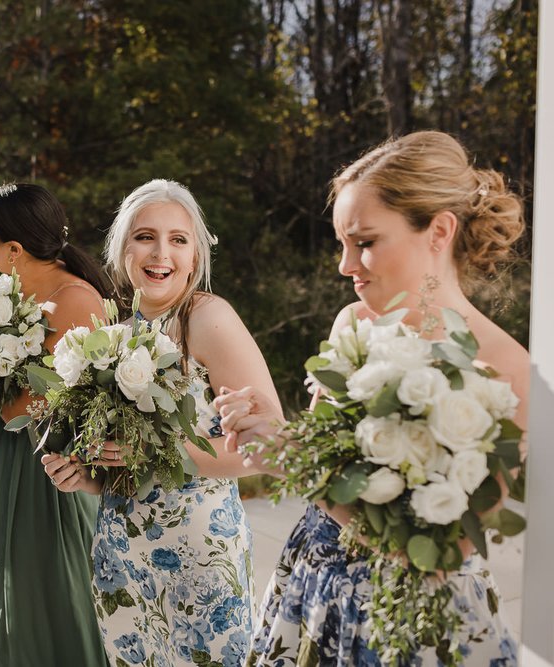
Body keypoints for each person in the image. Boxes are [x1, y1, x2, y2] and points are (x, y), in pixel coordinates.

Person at [216, 131, 528, 665]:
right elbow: (318, 453)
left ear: (439, 231)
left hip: (416, 620)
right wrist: (272, 429)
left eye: (363, 241)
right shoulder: (354, 323)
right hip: (311, 588)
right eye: (341, 242)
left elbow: (443, 554)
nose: (345, 264)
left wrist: (294, 461)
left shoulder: (509, 370)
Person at [42, 179, 279, 666]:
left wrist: (161, 452)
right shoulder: (111, 337)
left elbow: (266, 445)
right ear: (123, 248)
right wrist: (90, 475)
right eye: (145, 236)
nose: (161, 252)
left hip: (201, 553)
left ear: (195, 256)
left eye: (178, 239)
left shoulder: (208, 319)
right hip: (121, 553)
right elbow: (128, 463)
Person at [0, 183, 112, 666]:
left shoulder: (72, 300)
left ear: (14, 248)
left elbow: (24, 409)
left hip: (48, 466)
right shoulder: (13, 291)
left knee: (43, 591)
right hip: (3, 452)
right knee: (4, 585)